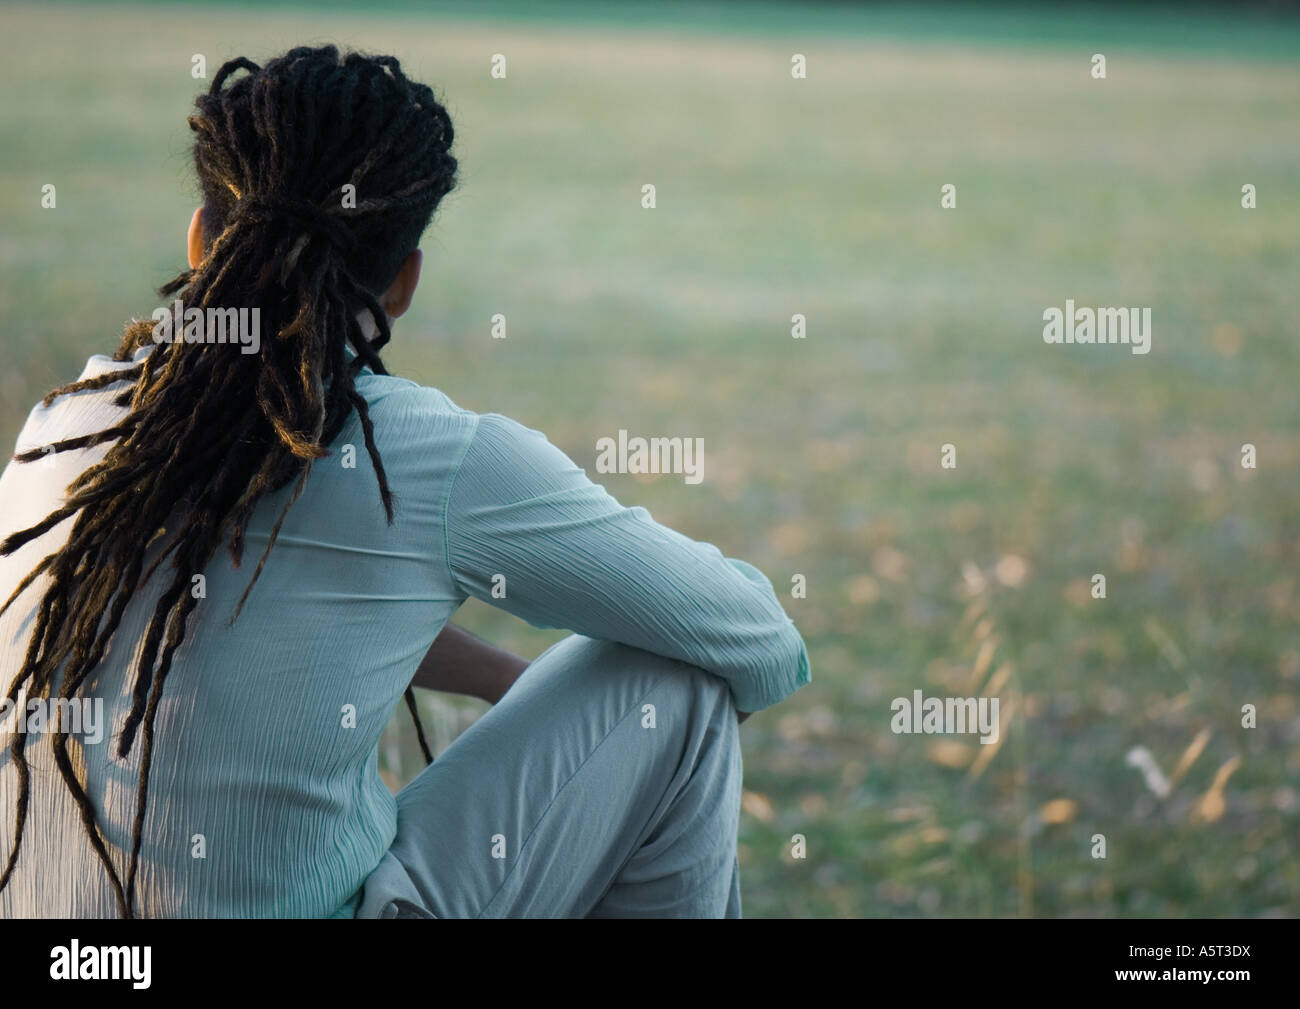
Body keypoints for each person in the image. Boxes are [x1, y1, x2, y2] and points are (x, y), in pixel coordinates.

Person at [0, 45, 810, 919]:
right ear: (405, 280)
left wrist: (510, 679)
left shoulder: (61, 427)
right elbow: (756, 640)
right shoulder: (423, 457)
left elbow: (268, 591)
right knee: (680, 693)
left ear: (198, 242)